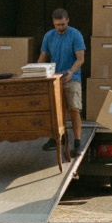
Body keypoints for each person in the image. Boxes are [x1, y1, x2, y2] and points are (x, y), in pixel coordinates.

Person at [38, 8, 86, 156]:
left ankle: (77, 142)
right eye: (57, 25)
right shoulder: (49, 36)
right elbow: (43, 57)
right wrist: (35, 72)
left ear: (67, 21)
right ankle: (58, 137)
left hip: (72, 77)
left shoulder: (75, 35)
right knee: (55, 110)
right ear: (53, 23)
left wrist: (71, 72)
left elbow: (80, 58)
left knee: (74, 109)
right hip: (54, 77)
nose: (60, 28)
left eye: (63, 24)